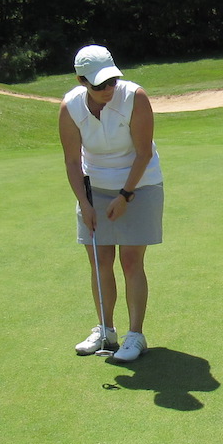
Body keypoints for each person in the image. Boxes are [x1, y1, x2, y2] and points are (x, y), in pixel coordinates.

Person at [59, 44, 164, 361]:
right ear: (81, 82)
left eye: (111, 81)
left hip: (140, 184)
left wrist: (125, 195)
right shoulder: (70, 107)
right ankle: (105, 330)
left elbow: (143, 153)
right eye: (99, 84)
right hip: (95, 188)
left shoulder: (135, 97)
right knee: (99, 261)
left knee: (130, 261)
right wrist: (85, 204)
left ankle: (135, 335)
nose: (108, 89)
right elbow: (71, 162)